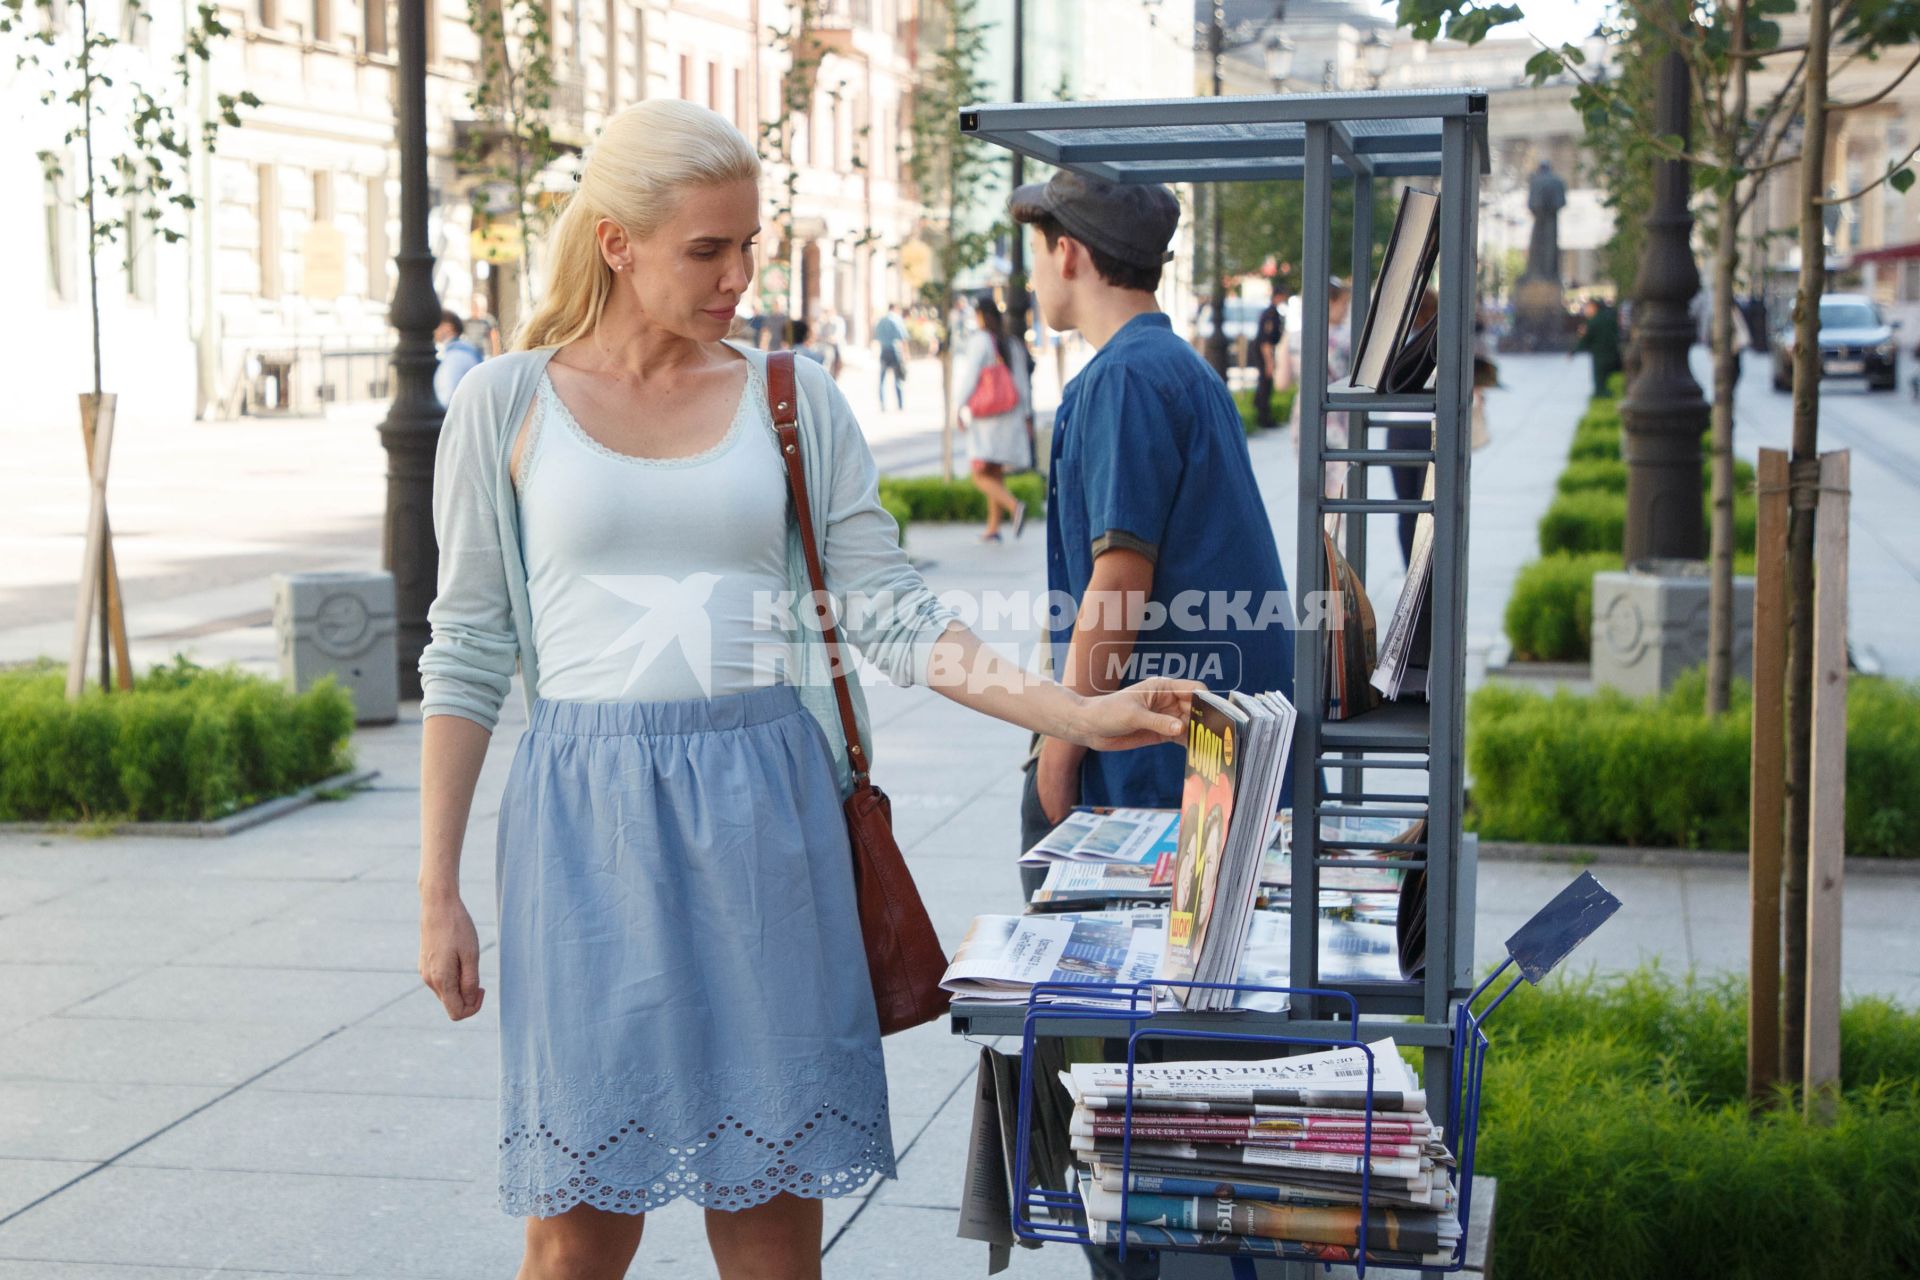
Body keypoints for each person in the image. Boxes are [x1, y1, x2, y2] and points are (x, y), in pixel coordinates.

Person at [414, 98, 1199, 1280]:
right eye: (707, 249)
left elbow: (892, 610)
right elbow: (467, 647)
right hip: (585, 829)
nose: (738, 276)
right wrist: (438, 887)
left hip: (767, 817)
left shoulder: (792, 393)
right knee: (576, 1228)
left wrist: (1075, 713)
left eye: (748, 247)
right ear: (617, 241)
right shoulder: (504, 404)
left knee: (775, 1224)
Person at [1008, 166, 1298, 1280]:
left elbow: (1115, 583)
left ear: (1069, 254)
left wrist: (1061, 734)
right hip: (1191, 766)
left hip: (1149, 778)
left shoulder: (1125, 380)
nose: (1034, 271)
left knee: (1130, 1077)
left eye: (1038, 250)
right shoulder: (1172, 365)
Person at [950, 294, 1033, 542]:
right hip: (1009, 414)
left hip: (987, 418)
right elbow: (1022, 383)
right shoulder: (1011, 343)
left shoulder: (981, 342)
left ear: (979, 316)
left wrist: (959, 406)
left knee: (979, 474)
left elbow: (971, 376)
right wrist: (1027, 415)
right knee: (995, 471)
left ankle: (1014, 506)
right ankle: (993, 527)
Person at [1251, 280, 1286, 429]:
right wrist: (1269, 363)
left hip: (1262, 350)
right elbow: (1266, 341)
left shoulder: (1271, 312)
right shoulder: (1271, 314)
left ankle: (1263, 415)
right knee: (1265, 384)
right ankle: (1263, 417)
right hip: (1263, 351)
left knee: (1265, 384)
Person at [433, 308, 485, 407]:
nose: (434, 330)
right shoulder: (464, 351)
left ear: (448, 327)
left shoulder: (456, 356)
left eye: (437, 325)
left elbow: (448, 397)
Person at [1571, 297, 1622, 397]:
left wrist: (1574, 351)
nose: (1586, 310)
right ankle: (1604, 392)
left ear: (1594, 307)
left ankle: (1601, 393)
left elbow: (1585, 339)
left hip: (1601, 353)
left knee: (1600, 377)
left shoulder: (1594, 321)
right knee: (1604, 376)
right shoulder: (1607, 317)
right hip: (1611, 351)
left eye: (1587, 307)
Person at [873, 303, 908, 411]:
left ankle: (883, 405)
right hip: (894, 351)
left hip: (884, 351)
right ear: (895, 308)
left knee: (882, 380)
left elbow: (876, 336)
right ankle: (900, 404)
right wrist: (906, 354)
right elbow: (903, 338)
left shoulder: (881, 320)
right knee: (898, 379)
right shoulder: (896, 319)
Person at [464, 293, 503, 358]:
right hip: (471, 354)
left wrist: (496, 355)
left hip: (485, 355)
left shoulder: (488, 321)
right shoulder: (467, 322)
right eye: (473, 306)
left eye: (476, 306)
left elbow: (495, 340)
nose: (474, 308)